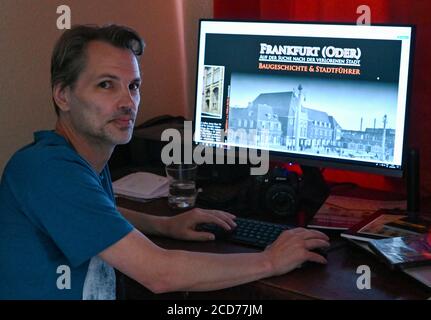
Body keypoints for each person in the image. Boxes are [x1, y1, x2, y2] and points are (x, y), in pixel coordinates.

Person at [0, 24, 329, 300]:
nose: (128, 101)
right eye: (105, 85)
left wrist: (164, 225)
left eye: (134, 86)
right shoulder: (47, 170)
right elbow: (160, 274)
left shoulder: (79, 160)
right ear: (63, 95)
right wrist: (271, 260)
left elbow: (99, 211)